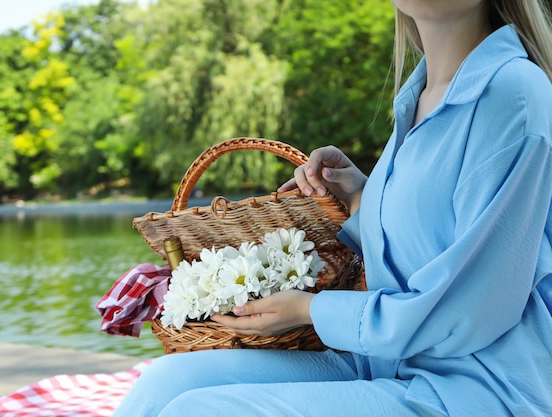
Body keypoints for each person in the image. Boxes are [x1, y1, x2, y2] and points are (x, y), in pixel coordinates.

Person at [113, 0, 552, 415]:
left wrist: (310, 310)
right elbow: (430, 241)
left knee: (200, 412)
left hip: (479, 390)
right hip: (383, 361)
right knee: (168, 382)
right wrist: (363, 196)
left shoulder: (512, 93)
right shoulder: (416, 99)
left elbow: (471, 308)